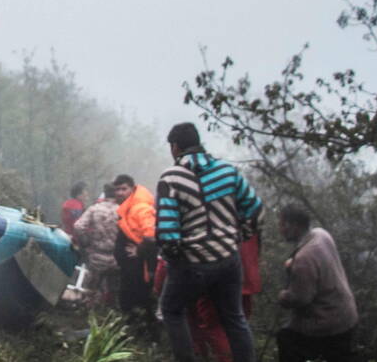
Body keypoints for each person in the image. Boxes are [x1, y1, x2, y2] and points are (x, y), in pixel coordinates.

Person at [155, 122, 262, 362]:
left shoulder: (171, 177)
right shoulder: (227, 171)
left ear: (175, 147)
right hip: (228, 259)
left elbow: (167, 232)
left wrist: (175, 262)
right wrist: (240, 235)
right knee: (234, 318)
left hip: (192, 263)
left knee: (172, 310)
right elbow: (254, 208)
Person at [276, 204, 358, 362]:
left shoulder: (304, 258)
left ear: (294, 226)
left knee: (286, 338)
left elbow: (300, 299)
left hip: (327, 323)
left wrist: (283, 297)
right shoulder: (321, 235)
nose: (280, 229)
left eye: (282, 224)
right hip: (347, 315)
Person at [112, 173, 157, 334]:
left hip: (139, 266)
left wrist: (139, 250)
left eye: (124, 189)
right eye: (117, 189)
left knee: (141, 301)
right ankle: (134, 333)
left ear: (132, 189)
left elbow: (151, 236)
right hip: (130, 266)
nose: (119, 193)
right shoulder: (127, 208)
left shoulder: (140, 207)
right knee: (131, 301)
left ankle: (148, 338)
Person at [72, 183, 121, 306]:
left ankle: (88, 314)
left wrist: (86, 241)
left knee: (92, 288)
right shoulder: (122, 209)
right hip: (116, 257)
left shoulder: (94, 209)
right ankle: (109, 314)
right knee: (113, 290)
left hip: (97, 254)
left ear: (105, 193)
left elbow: (78, 226)